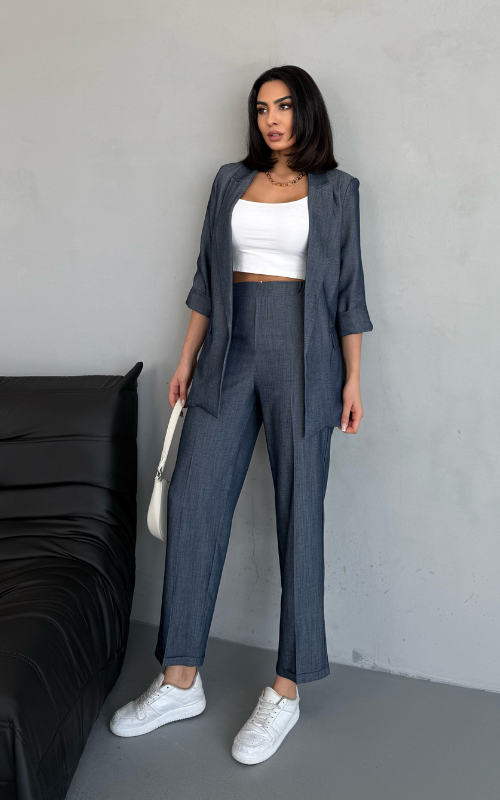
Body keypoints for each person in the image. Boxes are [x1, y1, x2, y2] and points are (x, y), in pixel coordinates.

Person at [110, 64, 374, 765]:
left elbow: (349, 292)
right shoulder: (230, 181)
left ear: (305, 112)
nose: (271, 119)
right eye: (261, 109)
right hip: (229, 347)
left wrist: (353, 379)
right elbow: (205, 279)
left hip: (305, 354)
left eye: (283, 106)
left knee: (300, 514)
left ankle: (286, 689)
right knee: (194, 500)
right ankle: (180, 680)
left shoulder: (338, 191)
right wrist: (188, 360)